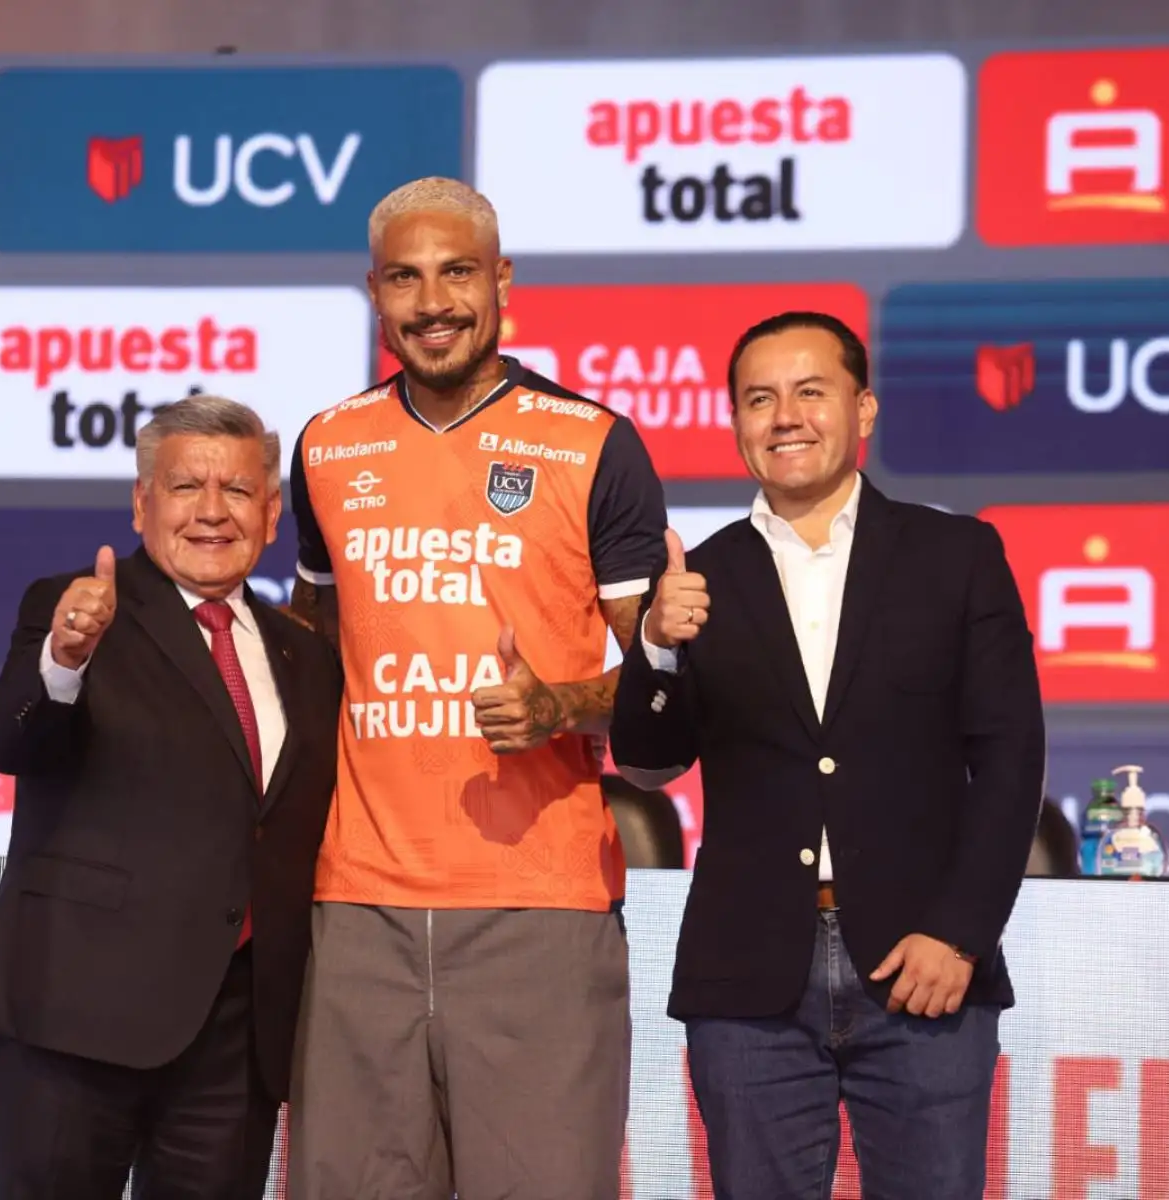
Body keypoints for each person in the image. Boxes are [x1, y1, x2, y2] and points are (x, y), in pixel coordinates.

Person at [287, 176, 669, 1199]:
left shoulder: (591, 443)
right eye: (405, 278)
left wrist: (560, 704)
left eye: (458, 272)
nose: (433, 302)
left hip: (537, 903)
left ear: (501, 280)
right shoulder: (326, 445)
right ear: (374, 292)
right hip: (355, 902)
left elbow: (659, 673)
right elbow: (310, 637)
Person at [610, 311, 1047, 1199]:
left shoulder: (956, 555)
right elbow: (648, 762)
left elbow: (1010, 761)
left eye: (812, 391)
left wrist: (960, 935)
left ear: (865, 410)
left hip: (924, 972)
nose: (786, 417)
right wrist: (656, 644)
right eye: (759, 398)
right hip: (748, 983)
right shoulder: (700, 578)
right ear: (734, 422)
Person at [0, 395, 343, 1200]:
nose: (212, 512)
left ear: (272, 513)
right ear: (142, 504)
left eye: (237, 491)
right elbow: (7, 739)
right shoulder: (76, 609)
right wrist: (63, 661)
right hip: (73, 1023)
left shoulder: (303, 657)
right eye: (185, 488)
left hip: (237, 1043)